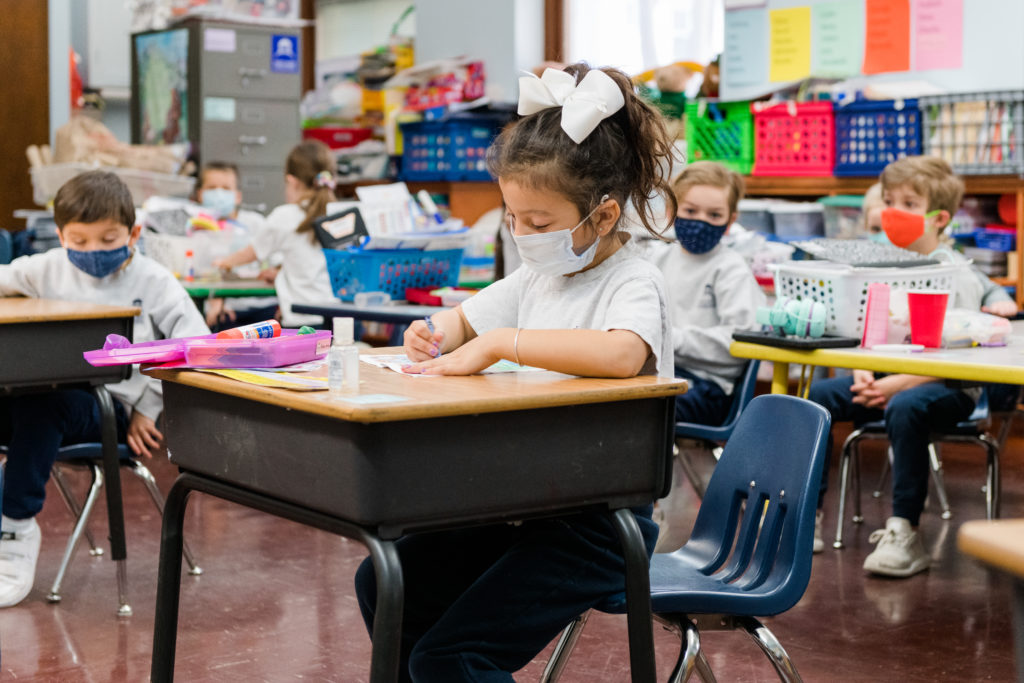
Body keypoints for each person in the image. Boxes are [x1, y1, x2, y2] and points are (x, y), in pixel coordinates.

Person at [353, 63, 676, 681]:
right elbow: (460, 323)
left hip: (598, 526)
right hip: (521, 503)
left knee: (449, 658)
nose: (523, 234)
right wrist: (430, 334)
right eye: (513, 219)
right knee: (383, 582)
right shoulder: (538, 276)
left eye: (540, 223)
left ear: (604, 215)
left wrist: (506, 342)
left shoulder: (634, 281)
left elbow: (622, 356)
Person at [0, 170, 209, 607]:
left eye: (108, 239)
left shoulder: (154, 282)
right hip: (43, 400)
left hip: (112, 408)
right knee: (32, 403)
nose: (93, 251)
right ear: (60, 235)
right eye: (79, 241)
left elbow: (196, 346)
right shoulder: (46, 267)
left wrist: (150, 407)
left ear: (133, 234)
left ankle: (14, 529)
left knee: (46, 406)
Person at [809, 155, 1018, 574]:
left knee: (906, 407)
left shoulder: (954, 274)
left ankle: (905, 531)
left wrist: (895, 385)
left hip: (950, 386)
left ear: (939, 219)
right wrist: (864, 370)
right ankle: (804, 516)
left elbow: (959, 357)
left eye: (908, 204)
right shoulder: (883, 264)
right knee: (814, 399)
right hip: (886, 379)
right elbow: (870, 332)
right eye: (889, 201)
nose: (893, 212)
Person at [643, 161, 764, 553]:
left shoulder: (729, 269)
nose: (700, 222)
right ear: (671, 210)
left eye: (714, 215)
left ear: (731, 221)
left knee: (646, 410)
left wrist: (670, 339)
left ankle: (646, 512)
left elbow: (738, 344)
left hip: (710, 388)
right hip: (661, 374)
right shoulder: (657, 260)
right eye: (691, 210)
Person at [213, 140, 337, 328]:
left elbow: (251, 253)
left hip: (305, 322)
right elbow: (315, 265)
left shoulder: (286, 215)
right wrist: (281, 273)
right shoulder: (339, 212)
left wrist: (224, 262)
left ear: (291, 181)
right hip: (342, 318)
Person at [194, 161, 278, 330]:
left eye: (226, 188)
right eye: (212, 188)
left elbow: (278, 261)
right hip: (224, 311)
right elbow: (194, 274)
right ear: (200, 194)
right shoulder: (196, 229)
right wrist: (215, 300)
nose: (219, 194)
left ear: (238, 196)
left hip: (263, 306)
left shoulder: (255, 223)